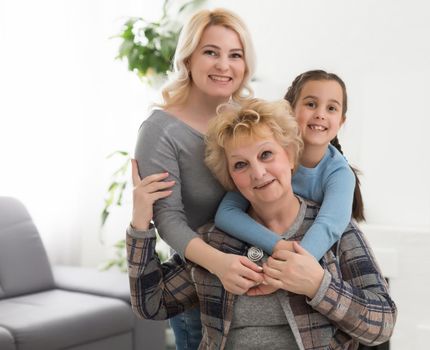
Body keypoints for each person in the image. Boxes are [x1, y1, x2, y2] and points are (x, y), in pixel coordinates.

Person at [127, 99, 397, 350]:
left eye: (266, 154)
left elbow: (382, 325)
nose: (258, 173)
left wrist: (318, 285)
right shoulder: (216, 241)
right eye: (241, 165)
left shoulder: (336, 232)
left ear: (290, 157)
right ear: (231, 178)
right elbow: (152, 304)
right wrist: (140, 223)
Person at [130, 8, 263, 350]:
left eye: (235, 55)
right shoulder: (160, 131)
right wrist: (221, 265)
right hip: (199, 290)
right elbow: (169, 220)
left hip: (255, 283)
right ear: (188, 59)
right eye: (211, 52)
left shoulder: (248, 119)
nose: (224, 65)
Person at [215, 70, 364, 264]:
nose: (320, 114)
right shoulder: (269, 162)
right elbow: (226, 213)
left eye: (331, 108)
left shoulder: (340, 173)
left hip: (311, 261)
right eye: (311, 104)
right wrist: (277, 245)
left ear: (341, 121)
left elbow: (328, 227)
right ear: (289, 110)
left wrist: (291, 266)